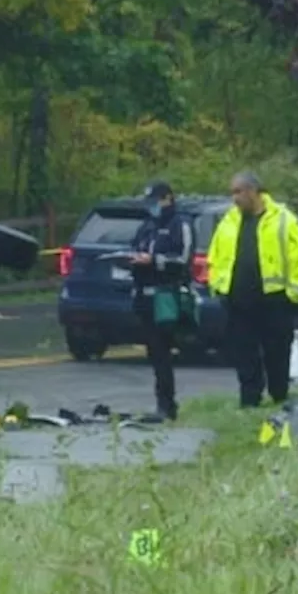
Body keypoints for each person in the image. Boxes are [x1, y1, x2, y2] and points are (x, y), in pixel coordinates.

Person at [206, 170, 298, 408]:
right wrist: (219, 289)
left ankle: (279, 396)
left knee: (276, 352)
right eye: (232, 192)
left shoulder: (283, 220)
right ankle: (249, 399)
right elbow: (215, 256)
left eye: (238, 192)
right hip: (238, 301)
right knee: (244, 353)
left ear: (254, 191)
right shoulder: (229, 221)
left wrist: (293, 297)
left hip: (274, 301)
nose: (234, 198)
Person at [129, 180, 194, 420]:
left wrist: (155, 260)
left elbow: (183, 259)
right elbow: (135, 248)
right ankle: (161, 403)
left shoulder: (181, 223)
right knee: (154, 352)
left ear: (168, 198)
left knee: (164, 349)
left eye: (156, 201)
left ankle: (168, 405)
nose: (153, 207)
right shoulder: (148, 226)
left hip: (167, 295)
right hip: (144, 296)